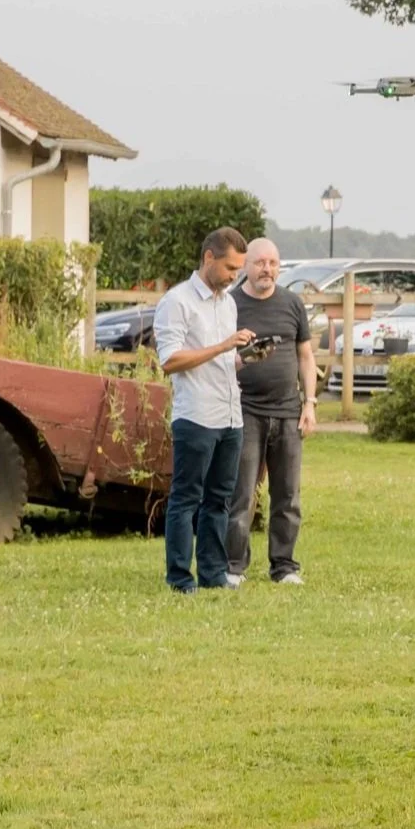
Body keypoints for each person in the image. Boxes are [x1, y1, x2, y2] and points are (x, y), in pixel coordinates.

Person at [153, 228, 255, 595]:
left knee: (220, 499)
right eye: (230, 268)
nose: (234, 276)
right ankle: (180, 578)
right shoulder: (177, 302)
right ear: (209, 258)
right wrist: (224, 343)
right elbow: (170, 360)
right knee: (186, 499)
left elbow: (222, 360)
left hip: (230, 414)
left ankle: (213, 575)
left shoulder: (227, 303)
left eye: (239, 270)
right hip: (196, 415)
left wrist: (243, 358)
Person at [224, 237, 317, 587]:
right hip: (245, 411)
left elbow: (305, 356)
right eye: (261, 262)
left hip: (288, 411)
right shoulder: (230, 304)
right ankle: (234, 566)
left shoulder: (292, 304)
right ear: (246, 265)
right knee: (242, 492)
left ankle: (284, 567)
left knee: (288, 494)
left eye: (274, 263)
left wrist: (309, 403)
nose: (268, 269)